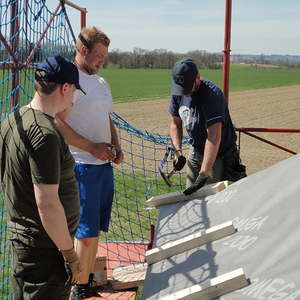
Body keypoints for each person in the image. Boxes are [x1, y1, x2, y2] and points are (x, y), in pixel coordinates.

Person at [0, 55, 84, 300]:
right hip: (45, 251)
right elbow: (46, 202)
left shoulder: (12, 121)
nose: (74, 100)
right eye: (73, 92)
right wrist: (69, 253)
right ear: (64, 87)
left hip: (26, 243)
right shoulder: (45, 134)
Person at [55, 27, 124, 300]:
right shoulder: (68, 81)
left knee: (94, 230)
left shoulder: (102, 83)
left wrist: (115, 145)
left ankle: (85, 280)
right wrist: (92, 148)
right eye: (99, 55)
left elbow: (108, 119)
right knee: (83, 232)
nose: (102, 61)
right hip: (80, 166)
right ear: (83, 50)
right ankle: (77, 287)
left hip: (102, 168)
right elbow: (58, 123)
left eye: (105, 56)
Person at [168, 58, 244, 195]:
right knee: (191, 197)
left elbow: (214, 137)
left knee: (215, 198)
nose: (184, 93)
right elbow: (175, 123)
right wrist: (177, 151)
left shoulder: (212, 95)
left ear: (197, 78)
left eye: (187, 88)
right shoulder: (178, 93)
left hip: (221, 154)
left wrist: (204, 172)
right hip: (196, 149)